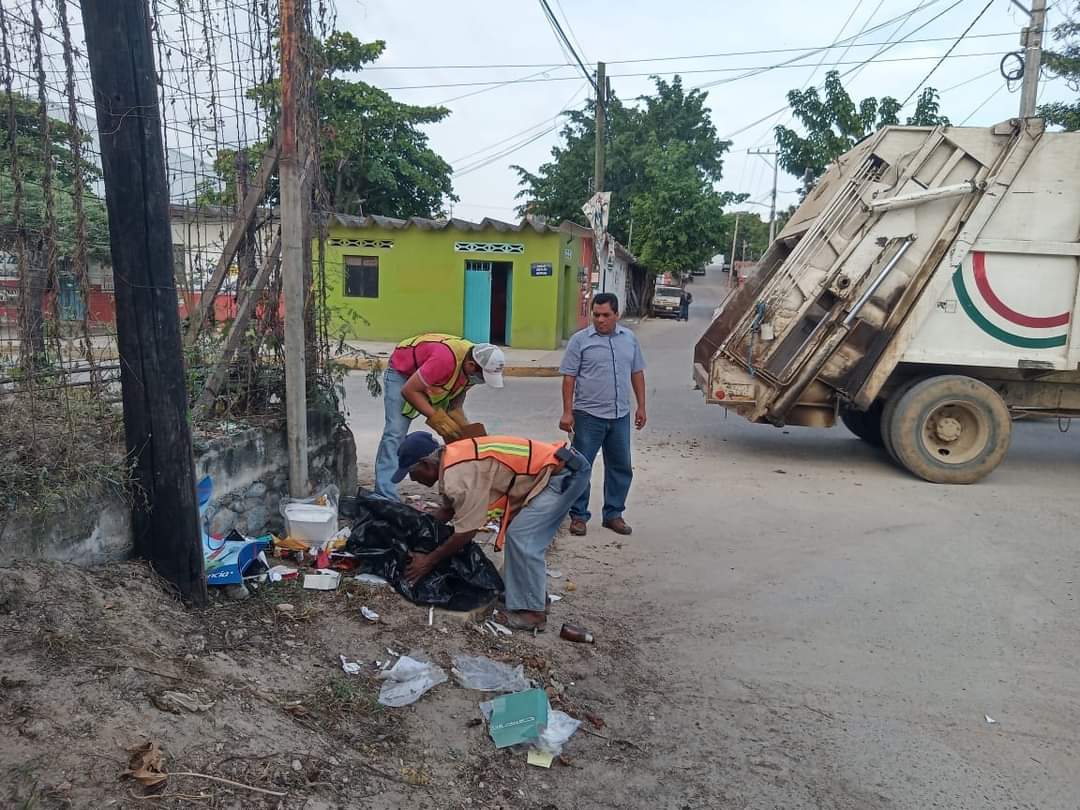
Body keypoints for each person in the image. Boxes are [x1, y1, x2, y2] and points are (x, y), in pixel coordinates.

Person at [393, 431, 590, 631]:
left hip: (563, 475)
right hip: (558, 468)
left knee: (523, 538)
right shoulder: (452, 458)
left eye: (411, 473)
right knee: (520, 535)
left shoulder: (458, 477)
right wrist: (411, 533)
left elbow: (466, 532)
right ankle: (531, 596)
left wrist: (427, 562)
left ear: (427, 463)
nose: (412, 479)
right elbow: (448, 510)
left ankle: (534, 614)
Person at [373, 333, 505, 500]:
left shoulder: (471, 367)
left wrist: (464, 433)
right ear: (471, 365)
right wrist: (437, 419)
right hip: (403, 373)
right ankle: (385, 495)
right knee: (395, 432)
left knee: (458, 432)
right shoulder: (445, 360)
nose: (481, 381)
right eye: (482, 377)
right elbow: (409, 391)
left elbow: (455, 404)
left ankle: (463, 488)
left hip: (432, 375)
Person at [558, 292, 646, 537]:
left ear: (617, 314)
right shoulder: (580, 341)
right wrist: (567, 412)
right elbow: (569, 377)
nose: (600, 320)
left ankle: (613, 514)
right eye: (596, 315)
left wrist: (641, 406)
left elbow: (637, 372)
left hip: (620, 415)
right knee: (580, 466)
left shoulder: (629, 339)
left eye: (606, 315)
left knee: (620, 466)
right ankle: (578, 516)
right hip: (588, 415)